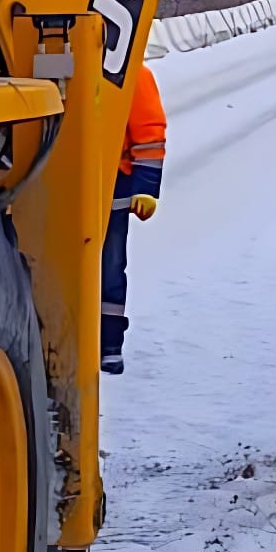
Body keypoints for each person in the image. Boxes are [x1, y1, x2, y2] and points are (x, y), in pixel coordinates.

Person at [100, 61, 166, 376]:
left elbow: (150, 133)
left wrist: (146, 188)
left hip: (114, 186)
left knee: (110, 268)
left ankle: (109, 346)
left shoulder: (133, 74)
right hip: (67, 185)